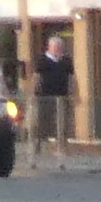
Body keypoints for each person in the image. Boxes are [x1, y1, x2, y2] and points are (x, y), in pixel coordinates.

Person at [30, 35, 73, 165]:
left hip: (62, 97)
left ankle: (61, 147)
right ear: (49, 47)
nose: (58, 49)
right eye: (55, 47)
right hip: (45, 97)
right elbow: (36, 77)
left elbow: (71, 78)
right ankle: (37, 146)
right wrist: (33, 93)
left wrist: (73, 93)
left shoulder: (66, 61)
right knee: (42, 122)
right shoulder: (42, 60)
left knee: (62, 123)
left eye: (60, 47)